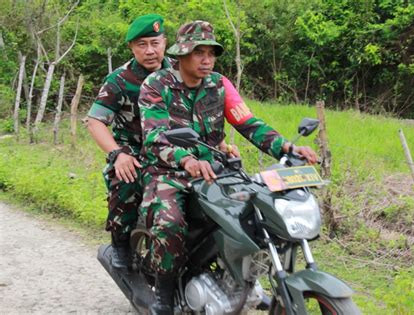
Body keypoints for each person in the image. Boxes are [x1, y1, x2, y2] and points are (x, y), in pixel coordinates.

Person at [138, 20, 318, 314]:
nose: (207, 60)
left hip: (214, 168)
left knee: (254, 215)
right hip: (166, 171)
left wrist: (287, 147)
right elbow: (155, 137)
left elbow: (248, 122)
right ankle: (165, 292)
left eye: (211, 53)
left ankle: (240, 280)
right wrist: (186, 159)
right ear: (182, 54)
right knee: (170, 224)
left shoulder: (219, 84)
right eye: (199, 53)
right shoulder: (156, 85)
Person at [86, 14, 174, 269]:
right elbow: (96, 121)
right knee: (126, 178)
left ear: (165, 43)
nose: (150, 51)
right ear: (132, 48)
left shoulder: (177, 72)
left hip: (172, 147)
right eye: (141, 44)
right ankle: (121, 244)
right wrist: (117, 154)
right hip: (133, 150)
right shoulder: (119, 80)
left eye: (155, 43)